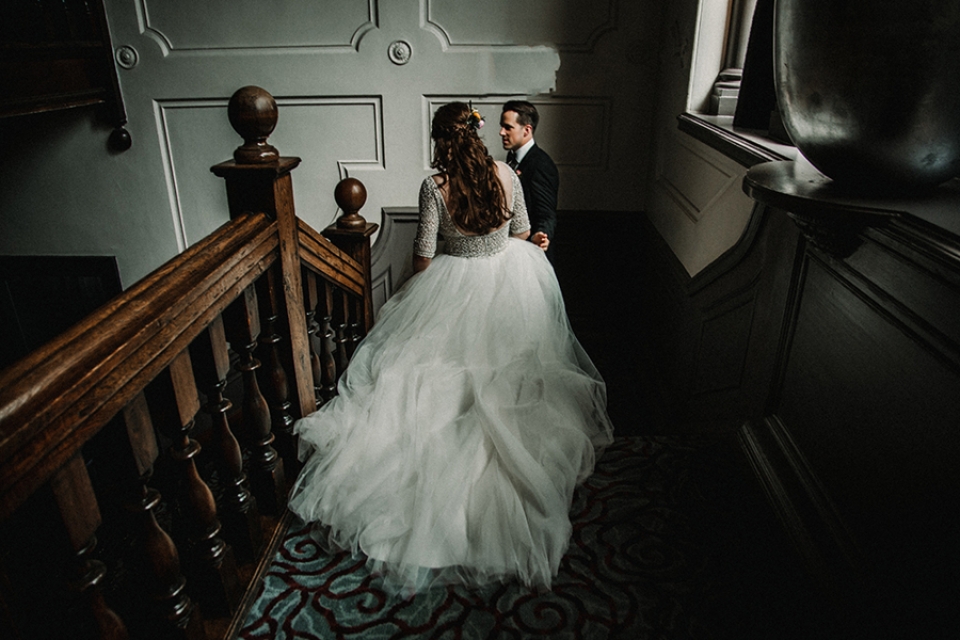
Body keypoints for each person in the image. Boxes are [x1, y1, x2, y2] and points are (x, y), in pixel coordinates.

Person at [288, 102, 613, 596]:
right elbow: (523, 233)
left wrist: (428, 289)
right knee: (506, 376)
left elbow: (423, 254)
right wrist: (495, 244)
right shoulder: (506, 173)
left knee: (425, 377)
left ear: (441, 141)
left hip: (451, 281)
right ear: (477, 136)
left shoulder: (433, 186)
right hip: (510, 278)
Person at [500, 100, 559, 261]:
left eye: (508, 127)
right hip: (512, 247)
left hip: (531, 252)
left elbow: (546, 213)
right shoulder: (512, 158)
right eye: (502, 126)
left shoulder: (541, 164)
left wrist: (541, 234)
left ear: (526, 130)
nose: (501, 132)